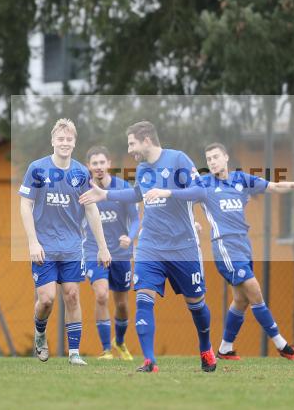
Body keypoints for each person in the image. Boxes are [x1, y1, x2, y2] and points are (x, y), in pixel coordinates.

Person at [79, 120, 215, 373]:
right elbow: (137, 194)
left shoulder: (178, 160)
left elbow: (201, 192)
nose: (130, 148)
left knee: (196, 303)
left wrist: (168, 192)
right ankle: (149, 361)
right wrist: (104, 195)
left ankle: (206, 349)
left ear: (146, 140)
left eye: (132, 143)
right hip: (150, 245)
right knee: (143, 298)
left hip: (182, 246)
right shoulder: (142, 168)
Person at [201, 143, 294, 361]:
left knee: (241, 300)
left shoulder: (241, 180)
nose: (212, 162)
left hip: (243, 245)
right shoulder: (203, 184)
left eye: (215, 157)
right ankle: (282, 345)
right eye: (208, 159)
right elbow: (181, 199)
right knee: (254, 290)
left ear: (226, 157)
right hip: (225, 246)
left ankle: (225, 348)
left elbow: (273, 187)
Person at [19, 118, 111, 366]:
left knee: (72, 295)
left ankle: (74, 353)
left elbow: (91, 210)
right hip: (44, 247)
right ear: (52, 141)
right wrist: (32, 242)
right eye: (60, 138)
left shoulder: (81, 173)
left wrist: (102, 246)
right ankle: (40, 333)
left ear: (74, 142)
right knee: (47, 299)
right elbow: (25, 205)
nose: (64, 143)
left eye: (69, 139)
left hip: (72, 247)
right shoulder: (37, 169)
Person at [83, 145, 139, 360]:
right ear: (89, 166)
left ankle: (120, 341)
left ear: (109, 164)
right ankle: (106, 349)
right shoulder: (84, 191)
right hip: (94, 252)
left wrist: (130, 236)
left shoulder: (123, 188)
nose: (98, 167)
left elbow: (134, 218)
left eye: (101, 163)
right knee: (101, 295)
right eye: (94, 163)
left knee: (122, 304)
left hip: (121, 254)